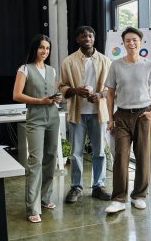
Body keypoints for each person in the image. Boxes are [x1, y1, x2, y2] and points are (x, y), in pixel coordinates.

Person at [105, 27, 151, 213]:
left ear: (141, 42)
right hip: (121, 114)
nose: (131, 43)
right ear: (123, 43)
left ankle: (139, 196)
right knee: (120, 156)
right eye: (128, 40)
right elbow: (110, 93)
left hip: (143, 114)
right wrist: (110, 118)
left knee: (143, 155)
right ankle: (119, 199)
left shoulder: (149, 66)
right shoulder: (116, 65)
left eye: (135, 40)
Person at [59, 26, 112, 203]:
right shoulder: (68, 61)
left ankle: (98, 186)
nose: (87, 38)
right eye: (83, 35)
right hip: (77, 112)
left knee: (99, 151)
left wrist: (100, 95)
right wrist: (74, 90)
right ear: (78, 39)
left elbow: (111, 88)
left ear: (94, 39)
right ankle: (76, 187)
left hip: (98, 112)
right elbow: (61, 87)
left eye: (90, 35)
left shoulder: (105, 61)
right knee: (75, 153)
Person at [13, 34, 62, 223]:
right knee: (35, 160)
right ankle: (32, 207)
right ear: (35, 48)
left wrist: (55, 97)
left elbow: (50, 93)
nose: (45, 51)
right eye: (41, 47)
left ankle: (45, 198)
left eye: (47, 48)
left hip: (53, 117)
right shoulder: (24, 69)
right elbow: (16, 95)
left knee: (50, 158)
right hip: (35, 118)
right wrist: (40, 101)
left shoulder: (52, 70)